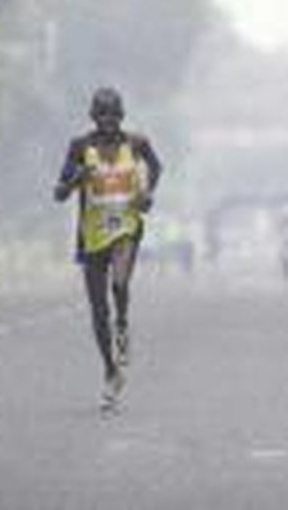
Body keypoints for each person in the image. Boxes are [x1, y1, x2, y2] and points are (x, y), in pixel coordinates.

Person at [54, 88, 162, 412]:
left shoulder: (137, 144)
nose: (108, 123)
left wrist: (146, 194)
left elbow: (157, 168)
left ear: (122, 116)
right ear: (93, 117)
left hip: (126, 228)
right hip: (91, 237)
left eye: (114, 116)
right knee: (98, 310)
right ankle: (111, 371)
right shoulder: (80, 147)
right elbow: (58, 193)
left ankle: (123, 323)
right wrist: (78, 178)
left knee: (120, 283)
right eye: (102, 116)